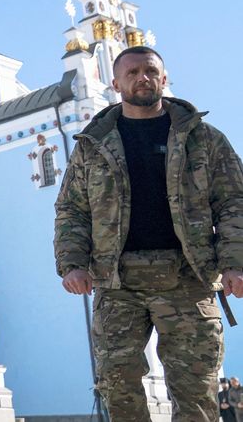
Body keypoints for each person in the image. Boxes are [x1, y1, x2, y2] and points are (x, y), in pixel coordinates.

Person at [54, 46, 243, 420]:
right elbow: (72, 209)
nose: (143, 78)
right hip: (117, 283)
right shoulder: (93, 146)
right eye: (133, 72)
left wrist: (234, 263)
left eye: (150, 71)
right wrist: (72, 263)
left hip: (190, 278)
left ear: (164, 78)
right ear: (116, 83)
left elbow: (234, 203)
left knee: (197, 390)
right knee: (117, 384)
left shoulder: (203, 139)